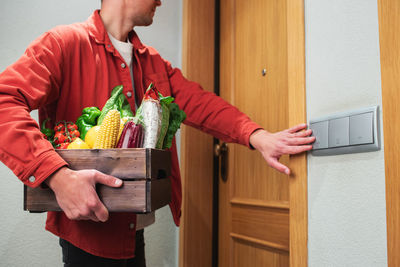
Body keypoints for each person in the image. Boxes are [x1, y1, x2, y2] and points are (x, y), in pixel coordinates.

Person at [0, 0, 315, 266]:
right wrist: (57, 176)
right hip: (87, 232)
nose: (161, 1)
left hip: (134, 230)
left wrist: (257, 136)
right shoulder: (62, 43)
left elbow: (201, 103)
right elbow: (4, 102)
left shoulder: (153, 63)